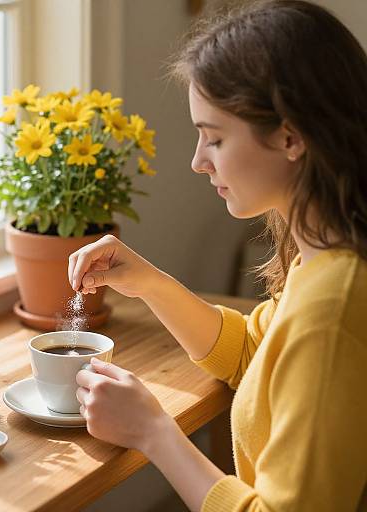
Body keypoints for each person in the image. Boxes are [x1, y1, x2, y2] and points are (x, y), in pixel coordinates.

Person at [68, 1, 367, 510]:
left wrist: (154, 433)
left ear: (290, 136)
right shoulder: (325, 257)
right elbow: (256, 355)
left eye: (215, 138)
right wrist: (149, 283)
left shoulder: (332, 310)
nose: (198, 162)